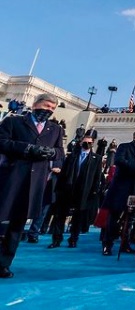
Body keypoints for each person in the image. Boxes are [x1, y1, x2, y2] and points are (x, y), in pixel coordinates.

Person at [0, 93, 65, 278]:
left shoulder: (55, 129)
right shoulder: (13, 122)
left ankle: (4, 264)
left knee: (17, 226)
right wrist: (27, 148)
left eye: (53, 108)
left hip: (33, 184)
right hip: (10, 179)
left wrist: (51, 152)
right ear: (35, 104)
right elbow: (2, 142)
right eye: (46, 106)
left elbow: (60, 152)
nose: (49, 110)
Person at [100, 128, 135, 256]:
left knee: (130, 220)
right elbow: (119, 161)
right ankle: (108, 244)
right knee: (114, 217)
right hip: (120, 187)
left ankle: (125, 244)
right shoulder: (124, 147)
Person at [48, 135, 102, 248]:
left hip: (83, 192)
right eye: (85, 142)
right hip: (67, 190)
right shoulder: (72, 156)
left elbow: (97, 177)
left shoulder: (96, 158)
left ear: (93, 144)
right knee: (60, 215)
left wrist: (94, 192)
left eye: (89, 142)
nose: (87, 144)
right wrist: (58, 189)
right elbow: (63, 174)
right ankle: (56, 239)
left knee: (78, 217)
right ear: (81, 143)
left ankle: (73, 239)